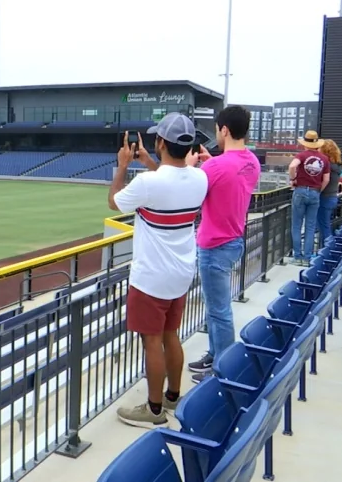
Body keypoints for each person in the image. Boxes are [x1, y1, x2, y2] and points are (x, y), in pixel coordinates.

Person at [108, 113, 207, 428]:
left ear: (161, 142)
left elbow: (114, 202)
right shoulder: (199, 177)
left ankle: (153, 411)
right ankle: (172, 398)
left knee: (151, 341)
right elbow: (172, 180)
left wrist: (124, 164)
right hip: (180, 273)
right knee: (170, 336)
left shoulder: (148, 183)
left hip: (150, 277)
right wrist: (151, 161)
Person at [184, 106, 260, 383]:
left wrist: (195, 168)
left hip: (215, 244)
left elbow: (191, 194)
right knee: (217, 307)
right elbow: (228, 179)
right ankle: (216, 354)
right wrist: (209, 163)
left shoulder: (214, 166)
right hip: (233, 240)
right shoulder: (252, 161)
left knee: (218, 309)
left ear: (224, 130)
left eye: (218, 128)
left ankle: (223, 369)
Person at [288, 130, 331, 266]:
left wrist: (293, 178)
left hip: (300, 190)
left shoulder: (301, 155)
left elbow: (292, 166)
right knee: (310, 226)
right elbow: (326, 179)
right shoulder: (324, 159)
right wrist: (318, 190)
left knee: (296, 225)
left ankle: (297, 256)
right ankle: (307, 258)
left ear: (305, 143)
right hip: (315, 192)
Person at [317, 139, 342, 246]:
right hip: (332, 197)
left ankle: (327, 250)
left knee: (323, 226)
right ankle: (325, 249)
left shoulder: (326, 165)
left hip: (324, 198)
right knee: (326, 225)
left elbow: (324, 181)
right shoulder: (336, 166)